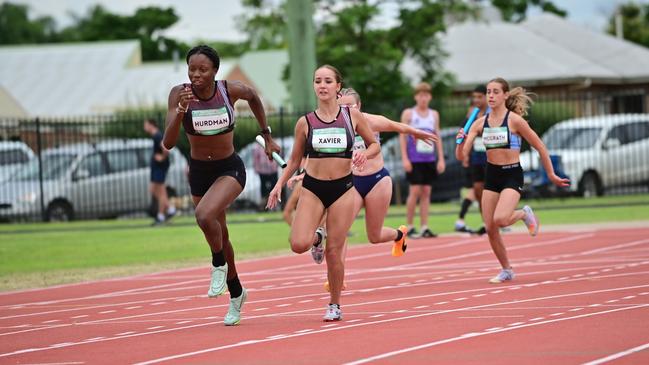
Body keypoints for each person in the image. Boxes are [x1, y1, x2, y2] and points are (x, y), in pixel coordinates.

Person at [162, 45, 280, 325]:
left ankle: (217, 264)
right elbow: (167, 143)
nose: (196, 74)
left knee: (204, 215)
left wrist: (267, 134)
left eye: (203, 69)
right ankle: (237, 293)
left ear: (215, 70)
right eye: (192, 69)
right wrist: (180, 111)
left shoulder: (229, 90)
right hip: (199, 172)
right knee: (221, 235)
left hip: (229, 168)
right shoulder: (179, 94)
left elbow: (254, 97)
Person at [267, 65, 379, 322]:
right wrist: (278, 185)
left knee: (335, 251)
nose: (323, 85)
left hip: (343, 189)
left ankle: (335, 304)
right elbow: (294, 160)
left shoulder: (352, 117)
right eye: (318, 81)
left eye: (328, 81)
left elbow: (373, 144)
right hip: (313, 189)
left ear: (338, 86)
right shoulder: (305, 122)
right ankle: (316, 238)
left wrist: (365, 153)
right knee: (298, 244)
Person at [456, 77, 569, 284]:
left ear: (505, 95)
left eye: (495, 92)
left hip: (511, 174)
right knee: (490, 227)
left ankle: (524, 213)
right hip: (492, 175)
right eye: (488, 92)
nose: (490, 96)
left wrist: (551, 174)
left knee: (500, 219)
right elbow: (461, 155)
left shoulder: (514, 121)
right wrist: (461, 140)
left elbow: (540, 146)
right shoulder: (480, 124)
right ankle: (506, 269)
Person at [399, 82, 445, 238]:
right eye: (420, 95)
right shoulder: (409, 114)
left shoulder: (434, 115)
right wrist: (405, 158)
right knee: (414, 191)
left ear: (430, 97)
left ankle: (424, 226)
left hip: (429, 158)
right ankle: (410, 226)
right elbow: (402, 136)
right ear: (416, 97)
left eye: (426, 95)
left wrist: (441, 159)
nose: (423, 98)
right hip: (414, 159)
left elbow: (437, 136)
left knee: (426, 192)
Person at [456, 85, 490, 235]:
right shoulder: (472, 114)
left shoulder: (492, 113)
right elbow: (465, 133)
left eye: (479, 97)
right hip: (476, 159)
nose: (476, 100)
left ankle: (495, 221)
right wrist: (465, 155)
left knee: (492, 191)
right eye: (474, 97)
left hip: (492, 158)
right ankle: (486, 223)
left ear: (486, 97)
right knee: (478, 191)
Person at [143, 118, 176, 226]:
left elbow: (166, 149)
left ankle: (161, 216)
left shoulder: (157, 135)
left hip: (159, 167)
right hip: (156, 167)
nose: (144, 127)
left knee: (161, 192)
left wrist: (161, 157)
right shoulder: (155, 136)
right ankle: (170, 209)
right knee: (153, 189)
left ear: (151, 125)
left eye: (146, 124)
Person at [252, 142, 278, 210]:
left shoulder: (274, 143)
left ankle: (273, 205)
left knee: (274, 187)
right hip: (263, 171)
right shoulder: (258, 146)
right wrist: (257, 169)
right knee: (263, 189)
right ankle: (264, 205)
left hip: (273, 170)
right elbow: (256, 158)